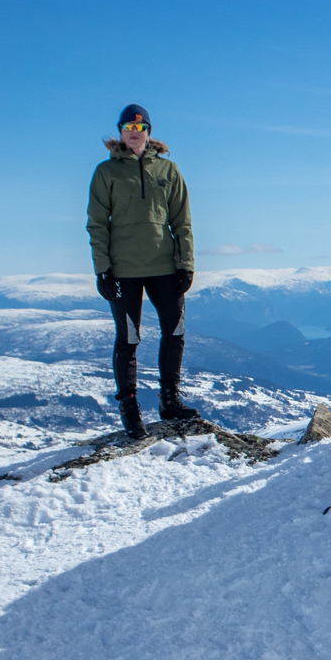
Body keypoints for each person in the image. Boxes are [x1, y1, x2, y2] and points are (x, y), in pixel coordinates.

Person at [87, 103, 201, 439]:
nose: (134, 133)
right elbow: (96, 225)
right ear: (120, 133)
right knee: (129, 338)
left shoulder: (168, 170)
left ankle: (170, 400)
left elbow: (183, 221)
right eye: (128, 127)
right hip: (123, 271)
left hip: (165, 266)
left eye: (140, 128)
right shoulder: (106, 172)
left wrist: (187, 263)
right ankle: (130, 408)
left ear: (149, 132)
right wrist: (102, 270)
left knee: (175, 330)